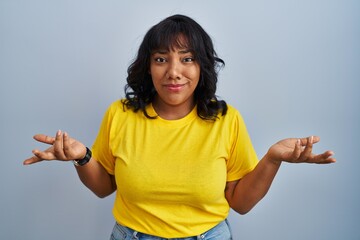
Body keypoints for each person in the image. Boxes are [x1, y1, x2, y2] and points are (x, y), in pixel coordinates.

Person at [23, 14, 336, 240]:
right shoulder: (120, 114)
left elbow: (239, 204)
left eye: (187, 59)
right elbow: (105, 188)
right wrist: (82, 156)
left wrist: (272, 159)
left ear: (202, 67)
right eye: (161, 59)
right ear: (148, 66)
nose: (174, 72)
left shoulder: (226, 119)